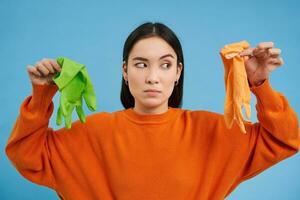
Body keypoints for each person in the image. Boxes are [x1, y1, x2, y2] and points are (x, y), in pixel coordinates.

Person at [5, 22, 300, 200]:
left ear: (178, 72)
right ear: (125, 71)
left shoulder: (212, 131)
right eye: (141, 64)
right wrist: (42, 94)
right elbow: (26, 153)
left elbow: (284, 140)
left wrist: (258, 84)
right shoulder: (91, 133)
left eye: (165, 64)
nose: (153, 77)